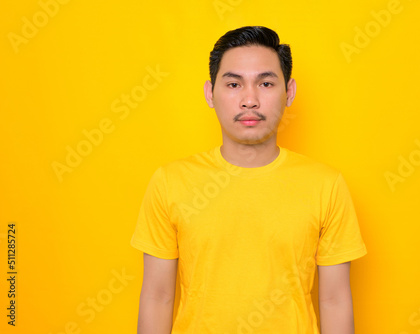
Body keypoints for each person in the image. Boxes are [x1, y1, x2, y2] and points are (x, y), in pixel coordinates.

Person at [130, 25, 367, 334]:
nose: (249, 100)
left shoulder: (326, 185)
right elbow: (157, 296)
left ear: (290, 91)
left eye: (266, 83)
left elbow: (335, 300)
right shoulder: (170, 182)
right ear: (209, 93)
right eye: (233, 84)